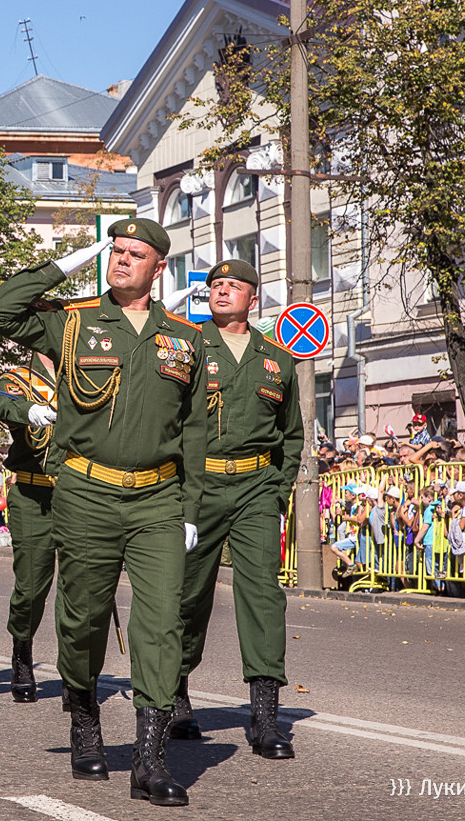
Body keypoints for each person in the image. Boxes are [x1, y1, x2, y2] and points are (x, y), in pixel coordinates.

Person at [0, 217, 205, 806]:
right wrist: (66, 263)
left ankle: (150, 759)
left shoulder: (186, 338)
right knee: (82, 619)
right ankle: (84, 716)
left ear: (159, 267)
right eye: (116, 251)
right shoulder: (74, 322)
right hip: (85, 492)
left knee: (163, 624)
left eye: (135, 254)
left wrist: (191, 509)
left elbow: (196, 429)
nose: (121, 260)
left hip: (158, 497)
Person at [170, 259, 301, 761]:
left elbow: (292, 434)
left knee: (263, 595)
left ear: (253, 298)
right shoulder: (187, 346)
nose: (222, 291)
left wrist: (278, 492)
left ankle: (265, 717)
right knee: (188, 593)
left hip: (256, 488)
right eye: (216, 285)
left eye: (233, 286)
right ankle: (176, 693)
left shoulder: (277, 358)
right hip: (196, 486)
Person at [0, 354, 61, 702]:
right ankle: (22, 649)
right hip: (33, 494)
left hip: (80, 492)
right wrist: (30, 411)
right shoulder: (19, 377)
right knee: (31, 587)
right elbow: (3, 405)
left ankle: (77, 675)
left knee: (84, 588)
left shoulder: (84, 369)